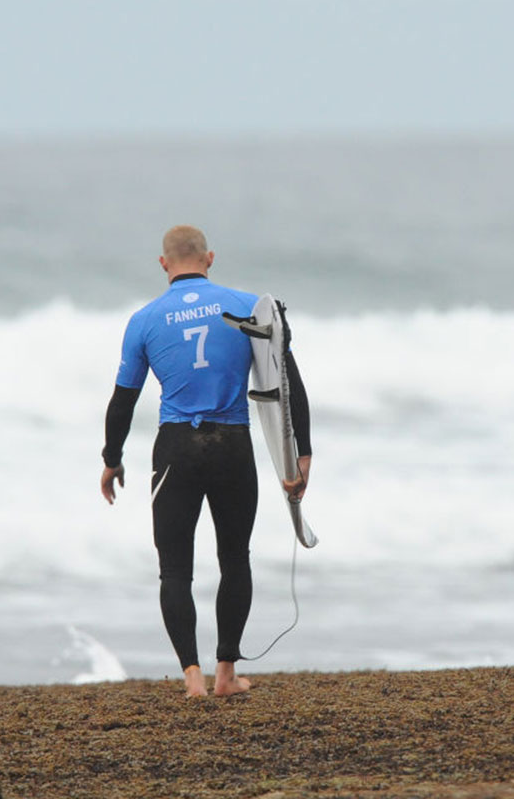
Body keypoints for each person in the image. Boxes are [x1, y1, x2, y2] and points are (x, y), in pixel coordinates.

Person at [99, 225, 312, 698]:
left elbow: (122, 401)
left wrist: (112, 459)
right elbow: (286, 380)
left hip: (175, 449)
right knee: (235, 560)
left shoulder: (145, 320)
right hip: (232, 445)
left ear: (163, 264)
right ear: (210, 258)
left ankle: (191, 677)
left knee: (175, 570)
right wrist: (302, 452)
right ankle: (226, 674)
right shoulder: (247, 307)